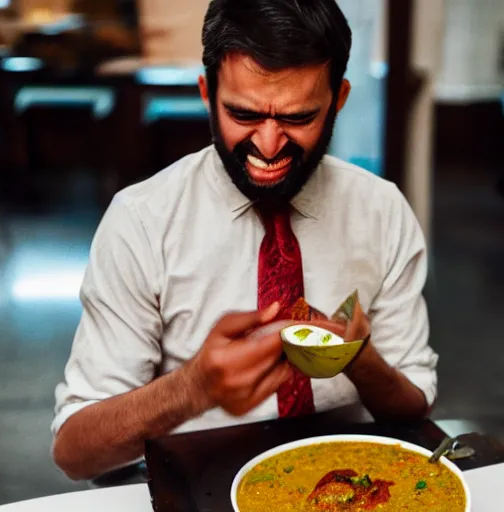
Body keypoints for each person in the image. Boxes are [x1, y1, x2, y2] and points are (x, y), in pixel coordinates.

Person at [52, 0, 438, 481]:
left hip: (344, 480)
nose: (269, 146)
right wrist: (192, 388)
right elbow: (74, 451)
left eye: (298, 117)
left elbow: (415, 407)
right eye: (242, 113)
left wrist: (359, 360)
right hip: (195, 483)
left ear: (338, 99)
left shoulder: (381, 210)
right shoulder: (143, 220)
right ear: (206, 93)